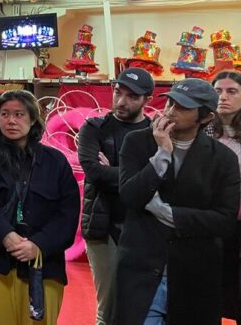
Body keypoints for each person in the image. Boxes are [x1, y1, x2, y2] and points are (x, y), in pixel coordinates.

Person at [115, 78, 241, 325]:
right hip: (142, 267)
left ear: (205, 117)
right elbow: (130, 196)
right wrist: (162, 154)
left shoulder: (223, 158)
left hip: (195, 273)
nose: (170, 111)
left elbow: (224, 221)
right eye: (170, 102)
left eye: (182, 107)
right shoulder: (138, 142)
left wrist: (167, 213)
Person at [0, 90, 79, 325]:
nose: (11, 121)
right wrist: (5, 235)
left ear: (33, 119)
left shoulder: (55, 162)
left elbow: (68, 212)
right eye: (5, 114)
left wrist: (38, 244)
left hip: (43, 264)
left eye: (19, 114)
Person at [77, 68, 154, 325]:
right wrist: (140, 173)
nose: (121, 101)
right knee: (108, 308)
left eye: (132, 96)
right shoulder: (95, 128)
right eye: (118, 93)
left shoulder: (156, 133)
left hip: (144, 225)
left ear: (147, 100)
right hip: (103, 225)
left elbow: (161, 179)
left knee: (143, 304)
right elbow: (94, 172)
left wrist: (113, 170)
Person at [208, 70, 241, 321]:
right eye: (218, 91)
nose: (223, 97)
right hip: (210, 224)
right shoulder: (200, 131)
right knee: (210, 296)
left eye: (231, 91)